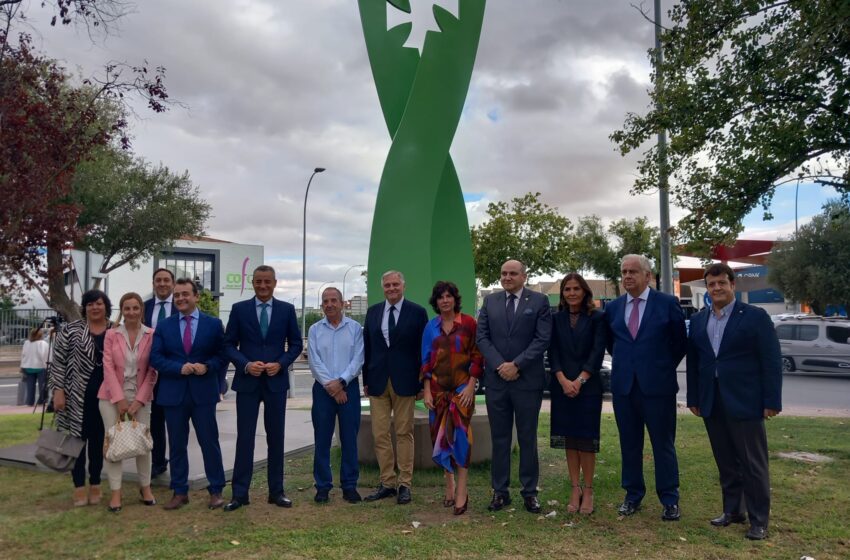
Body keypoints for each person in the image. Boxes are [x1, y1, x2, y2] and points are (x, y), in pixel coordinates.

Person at [686, 263, 782, 540]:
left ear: (732, 285)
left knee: (752, 463)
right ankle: (733, 510)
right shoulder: (699, 320)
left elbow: (771, 361)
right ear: (707, 288)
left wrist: (771, 400)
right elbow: (694, 363)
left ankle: (759, 520)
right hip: (711, 400)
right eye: (711, 284)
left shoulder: (755, 317)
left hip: (746, 400)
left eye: (721, 283)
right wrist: (694, 397)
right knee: (725, 460)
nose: (716, 288)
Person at [604, 254, 687, 521]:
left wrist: (659, 367)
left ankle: (670, 499)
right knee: (629, 445)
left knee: (663, 444)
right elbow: (612, 345)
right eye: (624, 272)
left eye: (633, 271)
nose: (627, 276)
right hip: (624, 389)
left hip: (658, 388)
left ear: (648, 276)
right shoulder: (613, 308)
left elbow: (679, 343)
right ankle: (632, 495)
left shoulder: (667, 303)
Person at [222, 265, 303, 511]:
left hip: (276, 383)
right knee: (245, 438)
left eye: (267, 281)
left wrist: (281, 364)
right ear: (253, 283)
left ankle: (276, 492)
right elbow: (228, 345)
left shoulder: (286, 310)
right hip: (248, 382)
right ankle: (240, 494)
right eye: (258, 281)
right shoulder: (239, 309)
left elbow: (296, 344)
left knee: (276, 438)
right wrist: (246, 365)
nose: (263, 286)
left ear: (275, 283)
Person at [477, 259, 552, 514]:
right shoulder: (490, 302)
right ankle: (500, 491)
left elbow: (543, 338)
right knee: (500, 439)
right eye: (503, 273)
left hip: (527, 381)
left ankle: (529, 492)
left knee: (528, 437)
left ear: (524, 276)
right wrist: (501, 365)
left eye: (512, 273)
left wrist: (517, 365)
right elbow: (482, 337)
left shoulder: (539, 301)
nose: (507, 277)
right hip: (497, 381)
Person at [150, 278, 227, 510]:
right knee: (177, 444)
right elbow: (155, 358)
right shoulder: (164, 326)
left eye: (185, 294)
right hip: (173, 394)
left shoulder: (213, 324)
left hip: (203, 393)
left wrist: (208, 367)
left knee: (209, 442)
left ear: (196, 296)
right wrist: (178, 368)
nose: (181, 298)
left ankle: (216, 490)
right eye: (177, 295)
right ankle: (179, 491)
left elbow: (223, 355)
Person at [362, 270, 428, 505]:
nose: (391, 288)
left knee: (403, 433)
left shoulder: (417, 312)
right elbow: (367, 348)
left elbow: (423, 350)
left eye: (395, 285)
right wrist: (365, 380)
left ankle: (404, 484)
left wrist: (421, 382)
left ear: (403, 286)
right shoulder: (373, 312)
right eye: (387, 285)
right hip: (377, 381)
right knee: (380, 434)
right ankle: (387, 482)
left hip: (405, 381)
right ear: (383, 288)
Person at [420, 281, 483, 516]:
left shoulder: (469, 323)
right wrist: (427, 390)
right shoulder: (431, 327)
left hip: (462, 390)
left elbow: (477, 356)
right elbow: (426, 360)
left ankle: (462, 491)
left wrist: (471, 386)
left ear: (455, 299)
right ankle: (449, 484)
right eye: (440, 297)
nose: (445, 300)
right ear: (435, 302)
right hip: (437, 392)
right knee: (440, 437)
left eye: (449, 296)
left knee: (462, 438)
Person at [548, 273, 606, 515]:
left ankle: (589, 490)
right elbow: (553, 351)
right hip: (562, 387)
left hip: (588, 387)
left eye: (576, 289)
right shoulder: (555, 318)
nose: (572, 293)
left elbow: (597, 352)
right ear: (562, 293)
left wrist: (580, 380)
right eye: (567, 289)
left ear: (585, 292)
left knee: (586, 440)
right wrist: (563, 380)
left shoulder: (598, 317)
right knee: (569, 439)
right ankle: (575, 488)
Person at [49, 289, 114, 507]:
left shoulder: (115, 330)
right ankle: (78, 486)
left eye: (99, 303)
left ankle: (95, 483)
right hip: (75, 396)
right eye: (90, 304)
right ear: (84, 308)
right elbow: (58, 362)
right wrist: (58, 390)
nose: (95, 307)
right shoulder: (71, 330)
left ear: (106, 306)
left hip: (105, 397)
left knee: (98, 441)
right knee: (75, 441)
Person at [98, 292, 158, 512]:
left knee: (144, 444)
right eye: (127, 308)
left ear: (141, 310)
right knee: (114, 443)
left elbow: (152, 371)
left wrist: (139, 401)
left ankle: (145, 487)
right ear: (122, 311)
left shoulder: (152, 334)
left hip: (141, 397)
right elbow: (107, 368)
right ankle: (116, 491)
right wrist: (120, 400)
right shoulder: (111, 334)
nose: (131, 312)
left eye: (135, 308)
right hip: (111, 397)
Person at [307, 287, 364, 504]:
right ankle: (323, 486)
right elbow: (314, 361)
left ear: (342, 303)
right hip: (323, 390)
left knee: (349, 439)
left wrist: (341, 383)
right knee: (322, 439)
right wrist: (331, 386)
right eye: (325, 301)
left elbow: (358, 359)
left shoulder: (355, 328)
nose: (329, 304)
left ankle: (349, 486)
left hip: (348, 389)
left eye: (333, 300)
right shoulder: (314, 330)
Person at [143, 267, 177, 478]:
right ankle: (158, 461)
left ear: (173, 283)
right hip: (149, 372)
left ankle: (178, 462)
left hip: (174, 371)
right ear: (153, 283)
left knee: (175, 421)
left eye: (166, 280)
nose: (162, 284)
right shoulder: (144, 307)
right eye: (158, 280)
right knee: (154, 420)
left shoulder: (181, 305)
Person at [20, 327, 49, 407]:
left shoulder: (26, 343)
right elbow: (45, 355)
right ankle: (42, 401)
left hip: (28, 367)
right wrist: (47, 366)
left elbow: (23, 355)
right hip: (40, 367)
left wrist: (21, 366)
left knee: (30, 386)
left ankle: (29, 402)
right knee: (42, 386)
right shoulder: (43, 343)